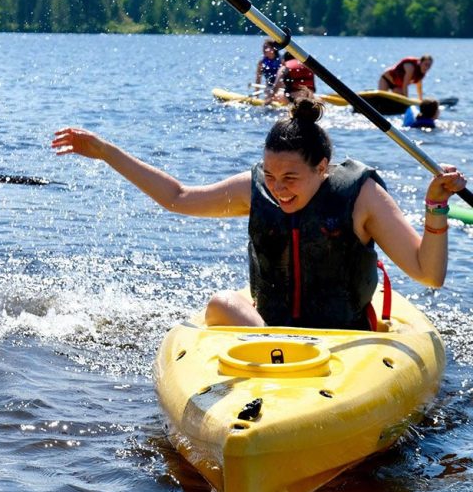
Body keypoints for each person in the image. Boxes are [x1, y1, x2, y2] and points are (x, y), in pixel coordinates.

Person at [51, 98, 466, 330]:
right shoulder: (256, 190)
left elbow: (428, 273)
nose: (278, 187)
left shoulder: (361, 196)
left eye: (291, 176)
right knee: (220, 304)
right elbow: (177, 197)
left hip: (345, 342)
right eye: (270, 174)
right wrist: (106, 153)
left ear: (323, 167)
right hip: (264, 336)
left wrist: (435, 206)